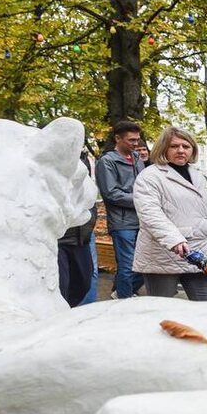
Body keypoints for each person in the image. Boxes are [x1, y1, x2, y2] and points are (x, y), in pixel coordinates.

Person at [131, 126, 207, 301]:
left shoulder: (197, 175)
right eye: (174, 146)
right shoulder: (149, 176)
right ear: (163, 148)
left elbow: (203, 211)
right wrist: (174, 239)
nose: (181, 150)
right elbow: (149, 213)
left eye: (186, 146)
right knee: (162, 311)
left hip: (202, 253)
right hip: (166, 252)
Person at [95, 120, 145, 298]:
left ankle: (120, 294)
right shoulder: (107, 162)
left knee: (146, 264)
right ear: (118, 138)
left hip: (143, 220)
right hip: (122, 222)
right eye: (131, 140)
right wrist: (141, 200)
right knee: (127, 265)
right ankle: (125, 302)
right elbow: (111, 193)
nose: (136, 144)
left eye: (137, 139)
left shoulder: (138, 159)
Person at [57, 151, 99, 307]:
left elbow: (88, 195)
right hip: (60, 239)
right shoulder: (48, 163)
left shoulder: (81, 160)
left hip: (82, 236)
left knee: (83, 282)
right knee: (61, 287)